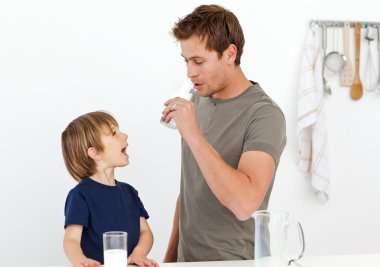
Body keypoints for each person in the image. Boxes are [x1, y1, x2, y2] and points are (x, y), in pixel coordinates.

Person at [162, 4, 287, 262]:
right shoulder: (196, 100)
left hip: (236, 261)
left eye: (199, 61)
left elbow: (245, 204)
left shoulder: (264, 115)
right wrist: (170, 259)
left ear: (230, 54)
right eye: (186, 61)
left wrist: (193, 135)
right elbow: (190, 190)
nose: (190, 72)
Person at [61, 111, 158, 267]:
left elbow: (145, 232)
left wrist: (138, 253)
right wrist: (82, 262)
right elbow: (71, 240)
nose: (125, 135)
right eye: (114, 133)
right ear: (95, 152)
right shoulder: (80, 195)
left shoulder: (130, 192)